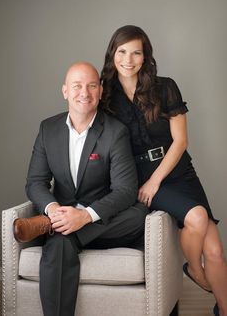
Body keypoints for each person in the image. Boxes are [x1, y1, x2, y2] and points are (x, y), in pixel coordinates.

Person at [100, 25, 227, 316]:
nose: (128, 60)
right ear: (112, 54)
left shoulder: (165, 86)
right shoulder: (105, 94)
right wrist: (148, 182)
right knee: (197, 217)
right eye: (122, 52)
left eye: (136, 53)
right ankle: (195, 270)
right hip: (139, 176)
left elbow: (181, 141)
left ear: (145, 57)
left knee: (216, 252)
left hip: (177, 169)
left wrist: (158, 180)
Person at [25, 62, 148, 316]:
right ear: (65, 91)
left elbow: (125, 190)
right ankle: (65, 231)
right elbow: (35, 182)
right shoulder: (47, 129)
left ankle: (67, 231)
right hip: (64, 218)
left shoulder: (115, 132)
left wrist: (84, 217)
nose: (85, 92)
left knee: (138, 215)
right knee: (60, 240)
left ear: (101, 91)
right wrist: (54, 209)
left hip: (102, 217)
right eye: (77, 86)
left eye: (92, 85)